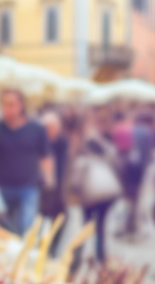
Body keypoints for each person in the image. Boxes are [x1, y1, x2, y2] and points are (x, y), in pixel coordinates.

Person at [0, 88, 51, 234]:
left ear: (20, 105)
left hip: (28, 187)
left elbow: (45, 157)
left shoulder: (36, 129)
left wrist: (49, 183)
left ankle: (24, 256)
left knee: (26, 228)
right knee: (1, 228)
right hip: (1, 186)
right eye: (4, 104)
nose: (7, 108)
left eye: (11, 104)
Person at [68, 115, 122, 262]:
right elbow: (114, 158)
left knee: (86, 225)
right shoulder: (102, 145)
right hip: (106, 192)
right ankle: (99, 254)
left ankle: (82, 254)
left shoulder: (82, 148)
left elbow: (75, 177)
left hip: (89, 194)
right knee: (100, 226)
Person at [39, 111, 72, 253]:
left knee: (60, 220)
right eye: (47, 128)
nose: (50, 131)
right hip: (42, 189)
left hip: (59, 190)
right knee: (41, 221)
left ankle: (51, 249)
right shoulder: (39, 144)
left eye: (53, 128)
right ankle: (42, 249)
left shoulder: (63, 143)